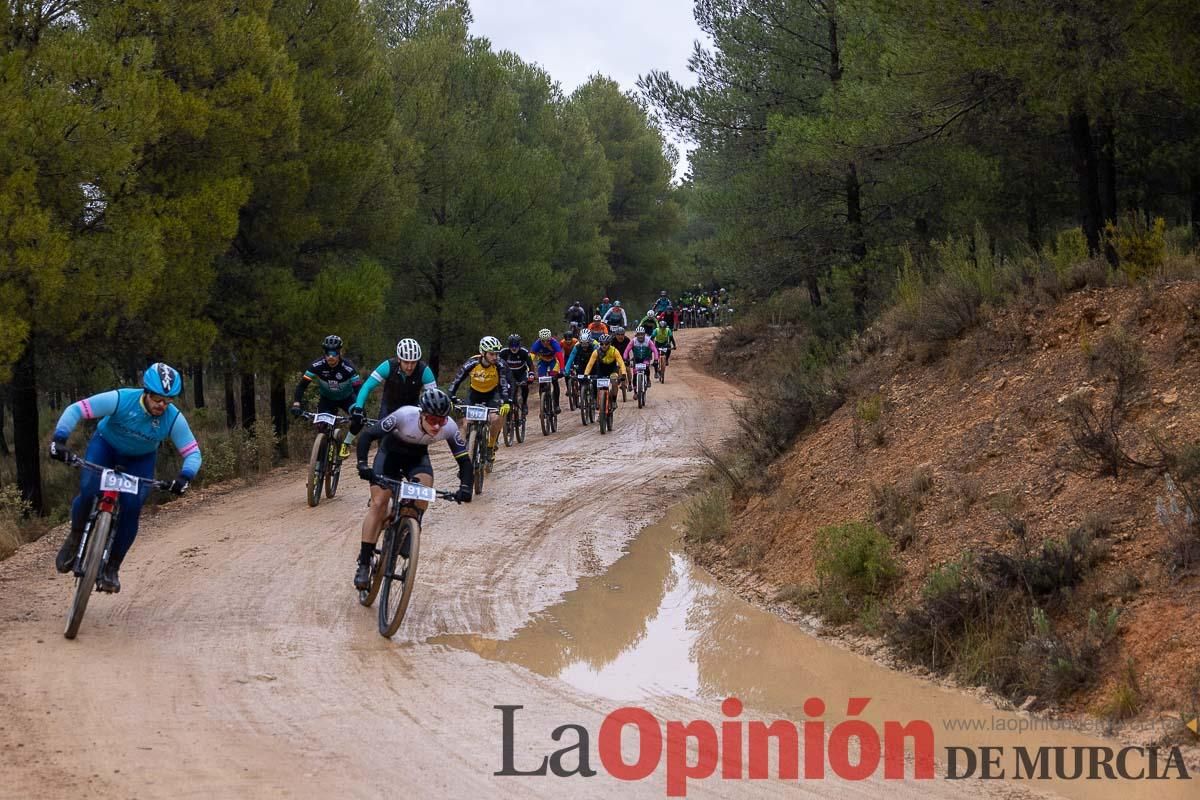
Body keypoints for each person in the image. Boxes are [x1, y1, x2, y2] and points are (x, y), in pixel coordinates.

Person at [48, 363, 201, 593]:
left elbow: (193, 453)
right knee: (89, 490)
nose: (162, 405)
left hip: (140, 460)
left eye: (168, 401)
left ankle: (112, 568)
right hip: (105, 447)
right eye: (158, 399)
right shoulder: (121, 399)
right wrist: (59, 439)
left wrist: (185, 477)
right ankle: (75, 538)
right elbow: (77, 409)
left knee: (131, 508)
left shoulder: (172, 418)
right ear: (146, 392)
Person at [352, 388, 472, 590]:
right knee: (379, 504)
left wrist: (466, 487)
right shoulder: (404, 415)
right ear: (422, 414)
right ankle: (364, 562)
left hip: (417, 460)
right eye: (432, 419)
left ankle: (408, 530)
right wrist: (363, 465)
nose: (436, 426)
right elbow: (367, 436)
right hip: (389, 457)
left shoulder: (449, 427)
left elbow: (465, 462)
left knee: (422, 495)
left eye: (441, 421)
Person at [291, 334, 363, 458]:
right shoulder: (316, 366)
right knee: (322, 428)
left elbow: (359, 390)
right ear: (324, 352)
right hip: (327, 400)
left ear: (339, 352)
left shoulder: (349, 368)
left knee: (360, 418)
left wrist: (359, 408)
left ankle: (346, 443)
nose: (331, 357)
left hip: (347, 399)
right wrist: (297, 403)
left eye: (334, 353)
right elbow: (302, 385)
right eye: (328, 353)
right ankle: (319, 463)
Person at [349, 338, 437, 436]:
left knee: (414, 439)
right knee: (383, 437)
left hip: (412, 407)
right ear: (399, 359)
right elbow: (367, 387)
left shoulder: (425, 371)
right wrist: (358, 409)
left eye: (413, 363)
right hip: (389, 406)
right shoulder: (388, 366)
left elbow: (434, 397)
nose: (409, 367)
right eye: (406, 362)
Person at [447, 336, 511, 466]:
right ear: (483, 352)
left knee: (496, 418)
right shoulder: (472, 363)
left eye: (497, 354)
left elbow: (504, 384)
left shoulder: (500, 365)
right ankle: (464, 454)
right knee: (465, 424)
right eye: (492, 354)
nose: (495, 357)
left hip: (492, 395)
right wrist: (451, 397)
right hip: (474, 395)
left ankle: (490, 446)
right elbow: (456, 381)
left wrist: (506, 402)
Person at [583, 333, 628, 415]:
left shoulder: (614, 351)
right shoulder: (596, 352)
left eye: (606, 344)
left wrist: (624, 374)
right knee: (596, 383)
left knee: (614, 382)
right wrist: (586, 374)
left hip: (612, 369)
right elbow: (590, 364)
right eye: (601, 344)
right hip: (601, 369)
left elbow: (621, 363)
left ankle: (614, 400)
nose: (604, 346)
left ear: (610, 344)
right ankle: (597, 401)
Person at [529, 328, 564, 414]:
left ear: (550, 339)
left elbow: (560, 357)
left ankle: (556, 404)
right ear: (540, 340)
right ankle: (543, 405)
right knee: (542, 381)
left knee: (554, 380)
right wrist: (528, 371)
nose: (545, 343)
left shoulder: (554, 343)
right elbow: (530, 359)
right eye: (543, 341)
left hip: (553, 361)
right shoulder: (536, 344)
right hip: (543, 362)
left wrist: (562, 369)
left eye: (547, 341)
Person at [499, 334, 534, 414]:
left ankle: (524, 404)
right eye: (512, 346)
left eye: (516, 345)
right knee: (509, 390)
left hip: (521, 373)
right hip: (509, 374)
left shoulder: (524, 352)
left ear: (519, 345)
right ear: (509, 345)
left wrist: (531, 375)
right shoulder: (503, 352)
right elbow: (498, 365)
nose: (514, 348)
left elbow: (530, 365)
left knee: (525, 386)